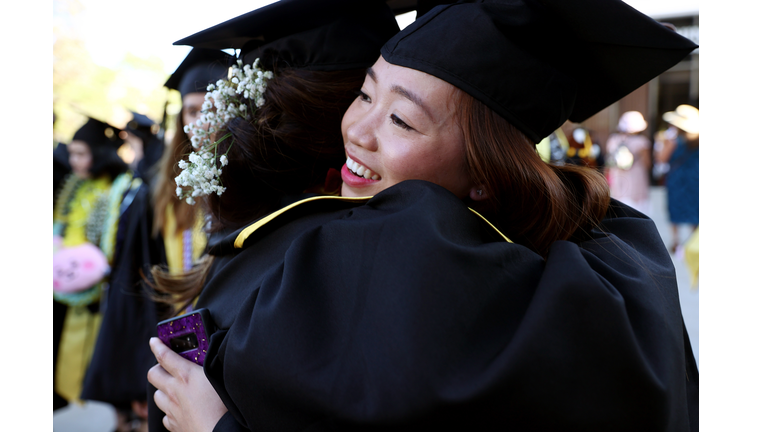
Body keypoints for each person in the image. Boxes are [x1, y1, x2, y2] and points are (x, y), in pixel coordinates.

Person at [148, 1, 699, 431]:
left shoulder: (499, 308)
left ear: (486, 169)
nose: (357, 133)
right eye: (364, 95)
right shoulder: (613, 256)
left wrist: (214, 427)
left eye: (402, 121)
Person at [80, 48, 231, 432]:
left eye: (216, 108)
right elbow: (135, 289)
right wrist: (139, 374)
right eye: (193, 111)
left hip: (230, 361)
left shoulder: (252, 188)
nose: (204, 123)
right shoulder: (157, 194)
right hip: (173, 343)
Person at [53, 116, 131, 410]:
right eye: (71, 153)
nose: (73, 160)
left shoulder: (116, 189)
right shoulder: (76, 185)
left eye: (80, 153)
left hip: (102, 294)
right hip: (72, 287)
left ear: (99, 153)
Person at [655, 104, 699, 253]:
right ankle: (695, 242)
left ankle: (676, 242)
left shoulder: (673, 140)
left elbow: (661, 159)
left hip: (677, 181)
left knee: (675, 210)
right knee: (695, 211)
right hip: (696, 180)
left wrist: (662, 142)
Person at [604, 110, 653, 215]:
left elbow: (608, 163)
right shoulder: (642, 142)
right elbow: (647, 163)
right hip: (636, 180)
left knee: (618, 210)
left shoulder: (613, 140)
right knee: (637, 212)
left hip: (617, 180)